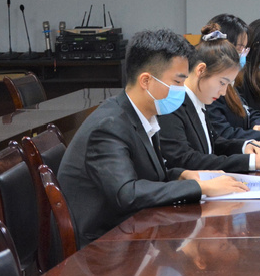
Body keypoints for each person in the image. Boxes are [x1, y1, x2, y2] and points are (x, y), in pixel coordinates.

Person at [57, 29, 249, 247]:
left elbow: (149, 176)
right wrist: (200, 187)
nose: (182, 90)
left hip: (133, 231)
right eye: (177, 82)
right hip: (103, 246)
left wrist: (183, 175)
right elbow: (127, 193)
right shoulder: (109, 126)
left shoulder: (142, 115)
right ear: (146, 81)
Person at [159, 25, 260, 173]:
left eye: (228, 84)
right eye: (222, 83)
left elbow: (214, 141)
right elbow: (184, 159)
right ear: (201, 70)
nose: (224, 92)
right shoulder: (173, 104)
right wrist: (249, 162)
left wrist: (244, 146)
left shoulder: (199, 100)